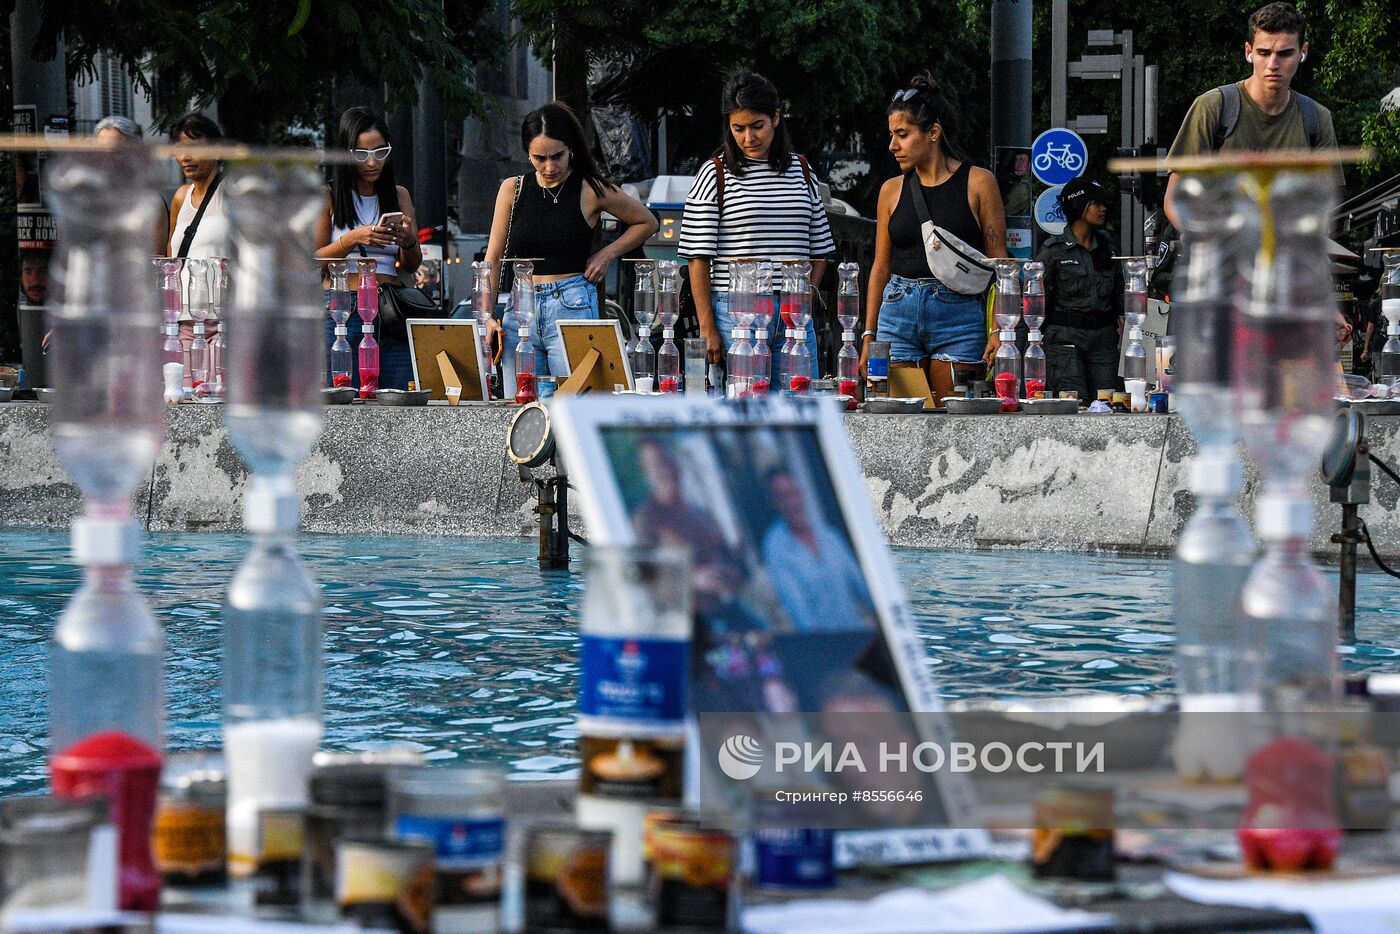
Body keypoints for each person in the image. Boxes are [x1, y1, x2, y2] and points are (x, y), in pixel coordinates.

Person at [1161, 2, 1349, 342]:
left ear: (1303, 53)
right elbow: (1174, 199)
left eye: (1285, 53)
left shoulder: (1315, 119)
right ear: (1249, 52)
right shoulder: (1216, 108)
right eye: (1263, 52)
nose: (1273, 63)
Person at [482, 101, 657, 398]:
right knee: (520, 407)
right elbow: (494, 256)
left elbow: (647, 221)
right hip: (519, 307)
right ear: (527, 153)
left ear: (571, 149)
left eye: (557, 156)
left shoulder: (589, 188)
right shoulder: (513, 188)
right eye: (540, 158)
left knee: (573, 405)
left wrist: (607, 253)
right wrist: (486, 314)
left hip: (571, 302)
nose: (550, 167)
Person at [678, 71, 835, 377]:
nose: (749, 138)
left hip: (794, 311)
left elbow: (820, 249)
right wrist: (707, 326)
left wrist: (805, 296)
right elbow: (698, 258)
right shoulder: (714, 174)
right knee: (748, 405)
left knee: (801, 403)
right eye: (738, 128)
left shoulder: (803, 172)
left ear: (776, 117)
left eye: (757, 126)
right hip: (738, 308)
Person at [862, 74, 1008, 400]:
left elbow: (1001, 263)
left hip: (961, 316)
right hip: (896, 314)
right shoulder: (890, 190)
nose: (893, 146)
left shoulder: (979, 182)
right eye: (891, 135)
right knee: (895, 423)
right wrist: (868, 335)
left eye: (902, 134)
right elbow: (880, 268)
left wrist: (1000, 329)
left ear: (933, 133)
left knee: (962, 423)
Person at [314, 107, 423, 390]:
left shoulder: (398, 195)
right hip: (342, 306)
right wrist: (353, 239)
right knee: (341, 398)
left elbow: (411, 264)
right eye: (361, 155)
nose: (372, 162)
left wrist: (407, 239)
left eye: (380, 152)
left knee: (396, 396)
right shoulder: (327, 195)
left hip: (390, 310)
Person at [1036, 177, 1124, 402]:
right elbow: (1035, 300)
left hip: (1103, 339)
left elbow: (1121, 298)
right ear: (1079, 205)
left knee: (1108, 403)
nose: (1103, 209)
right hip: (1065, 339)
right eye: (1096, 203)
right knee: (1073, 404)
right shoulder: (1053, 250)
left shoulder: (1107, 247)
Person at [759, 467, 874, 633]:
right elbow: (800, 614)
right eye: (783, 497)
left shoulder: (829, 536)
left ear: (801, 493)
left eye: (793, 493)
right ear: (775, 503)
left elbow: (862, 586)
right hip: (828, 647)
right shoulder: (775, 547)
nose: (792, 502)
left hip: (858, 635)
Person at [166, 113, 229, 359]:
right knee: (180, 394)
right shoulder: (181, 196)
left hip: (225, 318)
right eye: (179, 150)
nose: (185, 157)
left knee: (218, 394)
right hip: (184, 319)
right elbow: (171, 259)